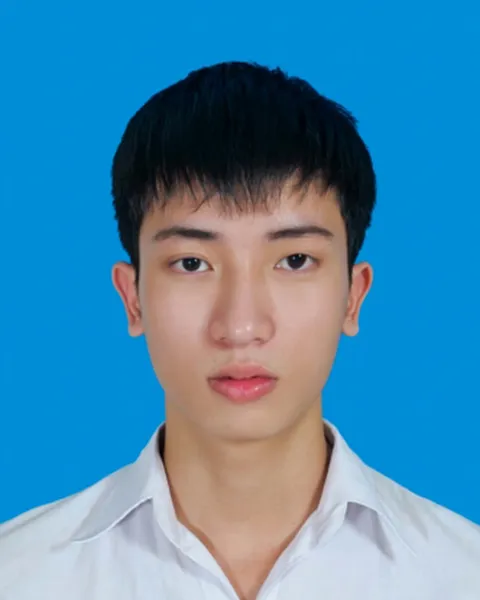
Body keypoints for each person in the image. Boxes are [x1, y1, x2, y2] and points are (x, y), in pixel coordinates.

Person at [1, 61, 479, 600]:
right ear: (133, 298)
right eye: (192, 263)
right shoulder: (18, 575)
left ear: (353, 295)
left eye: (295, 260)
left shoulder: (461, 575)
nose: (241, 326)